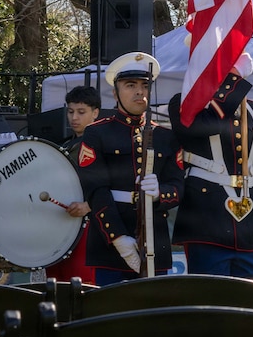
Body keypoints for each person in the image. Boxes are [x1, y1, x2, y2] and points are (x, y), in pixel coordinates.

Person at [76, 52, 184, 285]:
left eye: (145, 85)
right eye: (130, 85)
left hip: (154, 240)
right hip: (110, 243)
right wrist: (118, 237)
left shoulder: (165, 136)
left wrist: (160, 193)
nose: (139, 91)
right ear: (115, 93)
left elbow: (178, 186)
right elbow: (95, 189)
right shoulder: (97, 133)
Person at [169, 52, 253, 279]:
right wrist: (234, 82)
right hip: (207, 224)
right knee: (212, 303)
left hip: (248, 227)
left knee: (248, 305)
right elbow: (201, 128)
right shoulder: (182, 103)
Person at [45, 85, 101, 284]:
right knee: (56, 283)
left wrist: (88, 206)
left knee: (82, 285)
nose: (74, 118)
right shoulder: (65, 146)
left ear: (95, 113)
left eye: (81, 112)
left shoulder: (104, 142)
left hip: (89, 226)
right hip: (61, 224)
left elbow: (114, 182)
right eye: (70, 112)